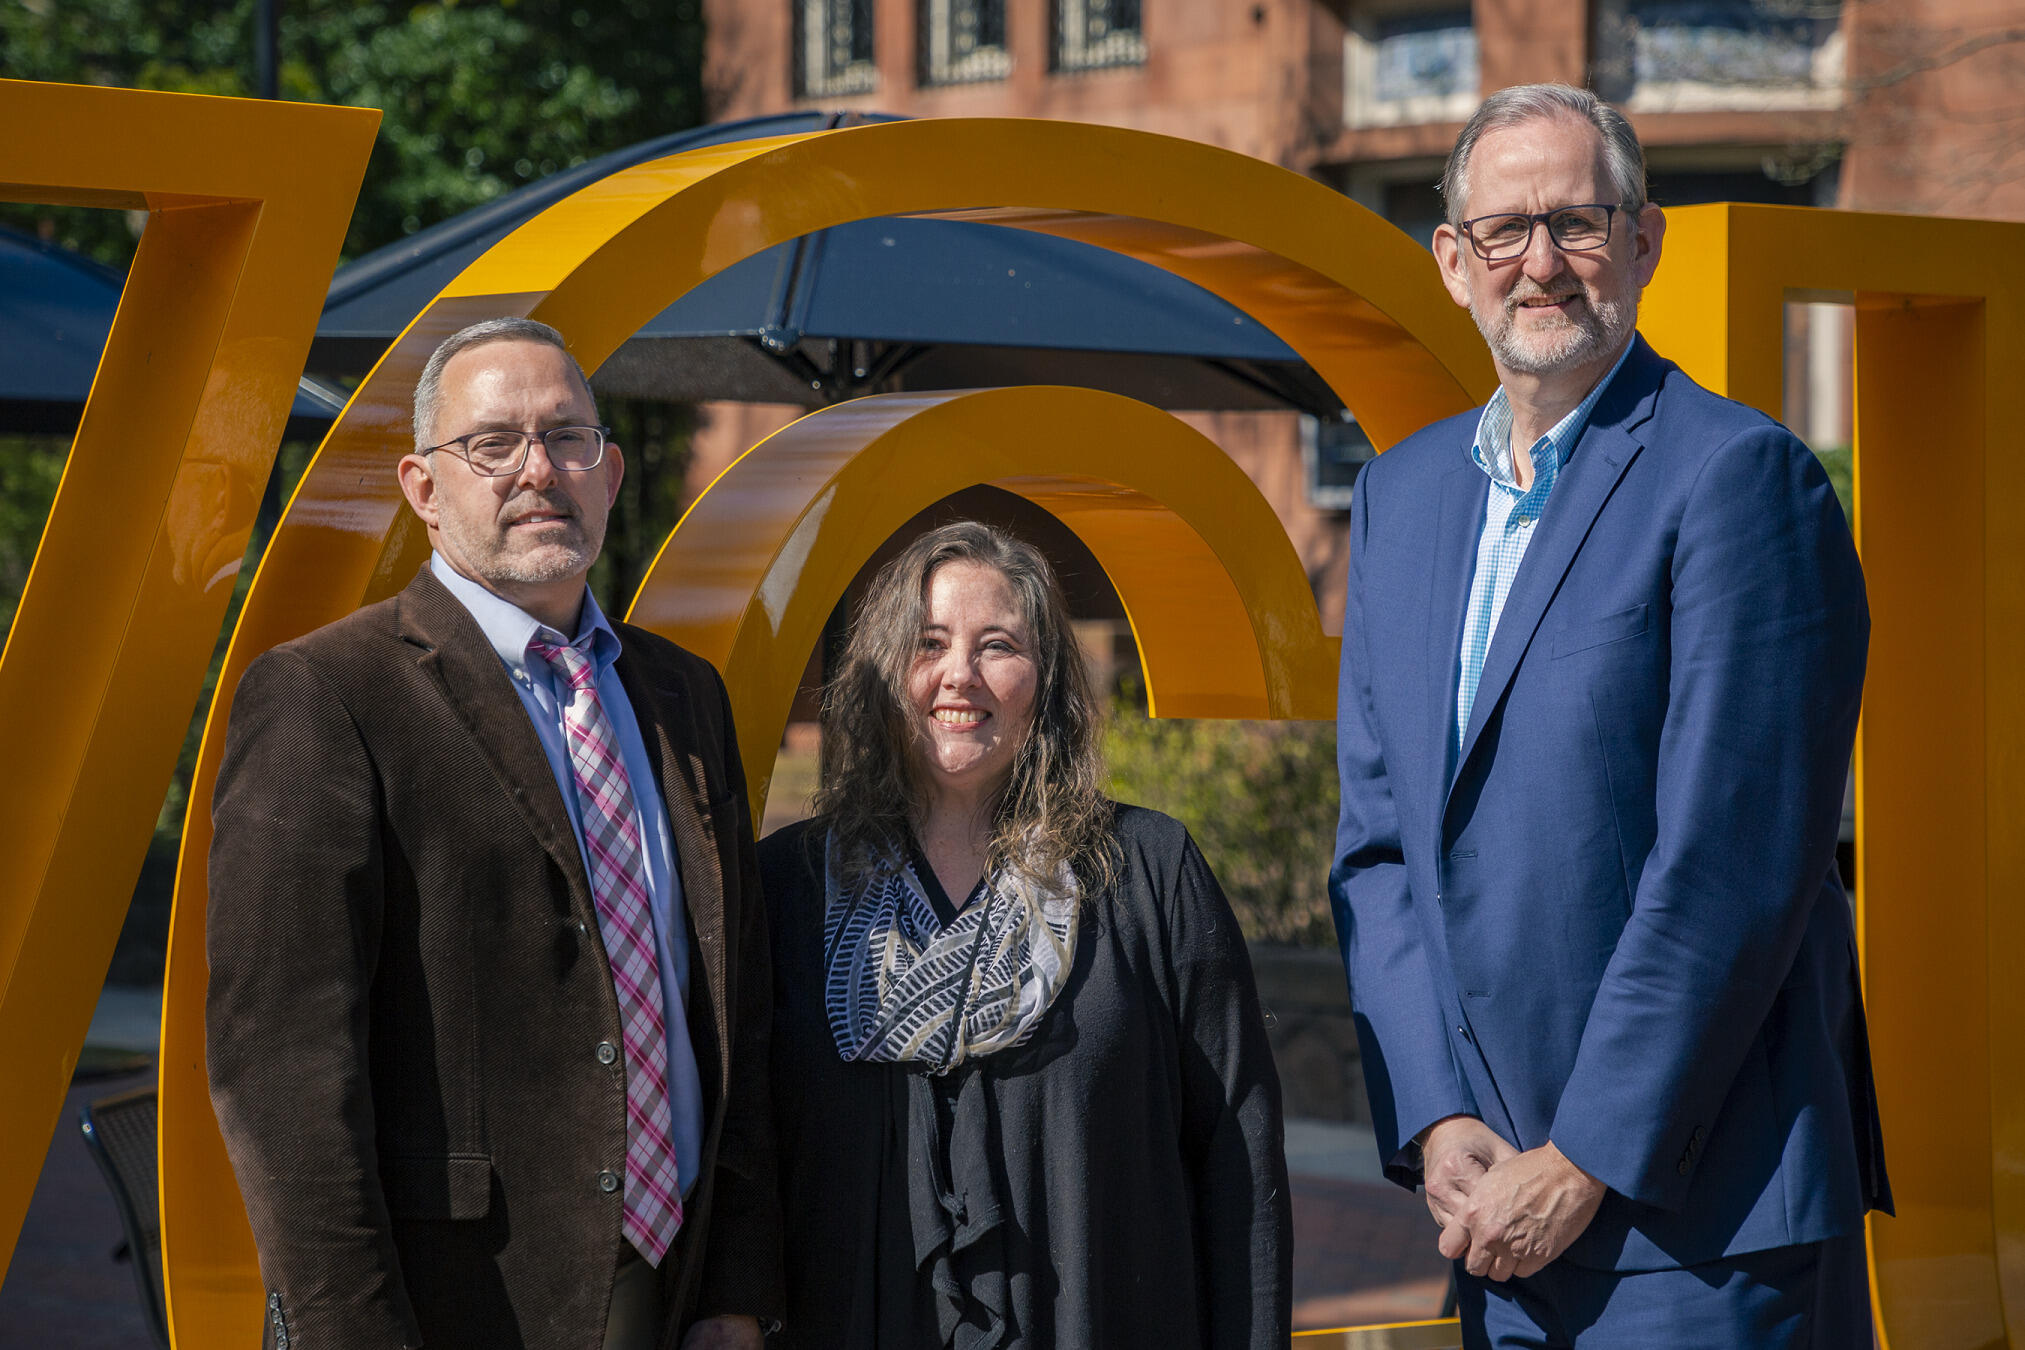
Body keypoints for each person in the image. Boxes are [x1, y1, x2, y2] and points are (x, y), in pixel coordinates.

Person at [1330, 83, 1891, 1346]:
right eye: (1505, 230)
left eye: (1578, 224)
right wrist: (1435, 1122)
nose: (1542, 263)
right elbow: (1376, 849)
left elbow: (1735, 867)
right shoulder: (1401, 498)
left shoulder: (1738, 478)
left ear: (1643, 244)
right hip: (1488, 1215)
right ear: (1452, 263)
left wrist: (1584, 1155)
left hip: (1697, 1229)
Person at [207, 318, 780, 1350]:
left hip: (671, 1287)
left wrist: (735, 1293)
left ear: (607, 473)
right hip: (457, 1303)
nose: (536, 469)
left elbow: (738, 1009)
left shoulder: (684, 699)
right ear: (423, 489)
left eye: (566, 437)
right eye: (492, 443)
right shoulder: (325, 696)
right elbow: (279, 1072)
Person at [761, 521, 1290, 1349]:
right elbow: (744, 1160)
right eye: (927, 642)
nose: (958, 677)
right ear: (877, 673)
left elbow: (1237, 1151)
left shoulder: (1147, 871)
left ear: (1044, 681)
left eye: (997, 645)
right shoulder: (788, 891)